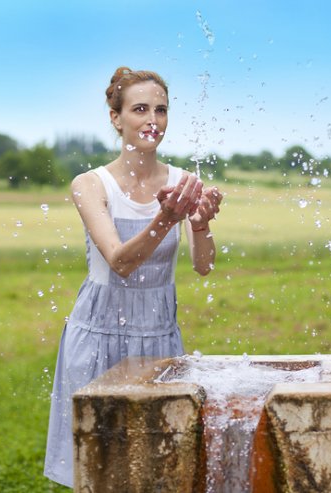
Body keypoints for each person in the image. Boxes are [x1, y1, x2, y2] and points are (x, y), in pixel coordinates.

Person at [44, 66, 222, 488]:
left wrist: (199, 224)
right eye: (140, 109)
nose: (153, 120)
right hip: (98, 334)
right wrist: (166, 218)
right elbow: (120, 262)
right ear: (115, 117)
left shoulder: (183, 182)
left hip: (160, 335)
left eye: (161, 110)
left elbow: (204, 265)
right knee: (100, 469)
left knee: (162, 468)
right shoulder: (90, 184)